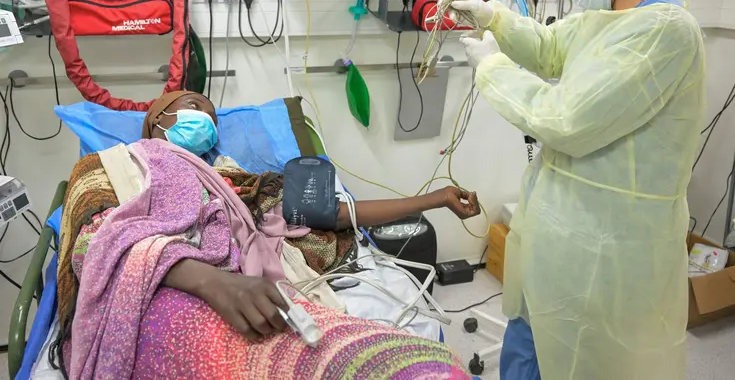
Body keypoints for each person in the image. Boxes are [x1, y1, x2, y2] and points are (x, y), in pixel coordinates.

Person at [449, 0, 705, 380]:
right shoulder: (608, 19)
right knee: (529, 339)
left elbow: (566, 120)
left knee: (586, 357)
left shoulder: (665, 33)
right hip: (559, 230)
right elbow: (549, 48)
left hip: (611, 246)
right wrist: (494, 18)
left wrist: (492, 67)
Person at [53, 90, 478, 379]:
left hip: (256, 288)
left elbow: (332, 213)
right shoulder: (112, 165)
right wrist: (214, 281)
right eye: (191, 106)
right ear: (155, 121)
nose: (204, 117)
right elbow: (95, 243)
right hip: (163, 294)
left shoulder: (242, 179)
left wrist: (434, 198)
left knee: (415, 361)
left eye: (210, 115)